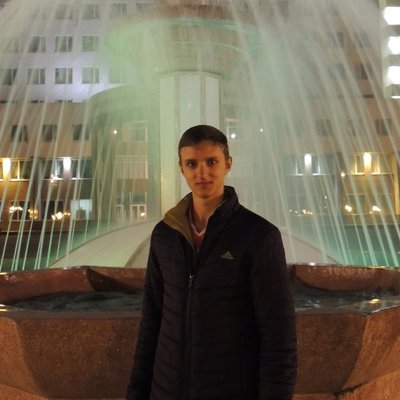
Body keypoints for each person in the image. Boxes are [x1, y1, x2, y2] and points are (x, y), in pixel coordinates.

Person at [127, 125, 297, 400]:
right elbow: (151, 322)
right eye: (192, 164)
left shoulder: (258, 235)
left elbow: (278, 333)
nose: (202, 172)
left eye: (211, 162)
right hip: (166, 391)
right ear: (181, 168)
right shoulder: (164, 235)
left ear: (228, 164)